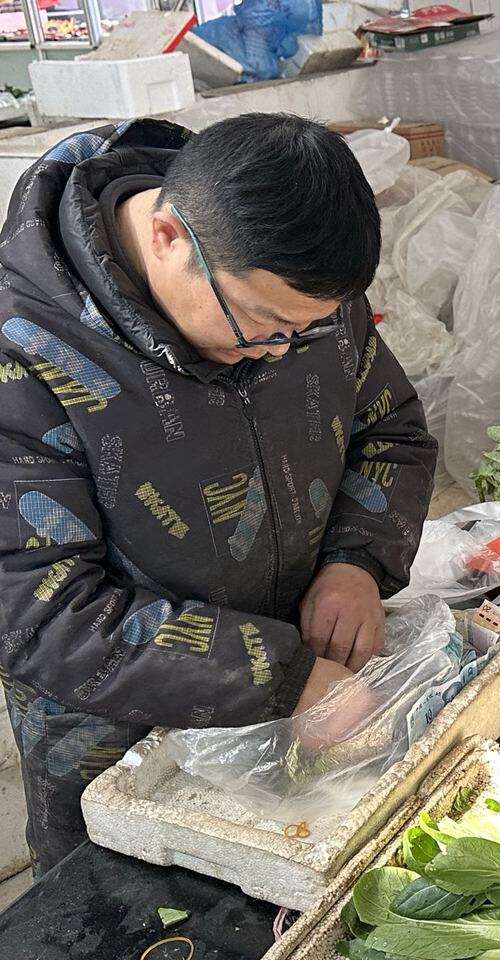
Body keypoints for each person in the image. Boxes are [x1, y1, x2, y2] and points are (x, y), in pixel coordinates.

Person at [0, 115, 436, 875]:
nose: (281, 351)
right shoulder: (25, 352)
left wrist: (359, 561)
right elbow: (39, 614)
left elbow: (388, 429)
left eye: (308, 331)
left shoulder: (292, 292)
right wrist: (284, 677)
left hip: (305, 680)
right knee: (125, 913)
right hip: (112, 734)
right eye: (265, 325)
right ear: (168, 236)